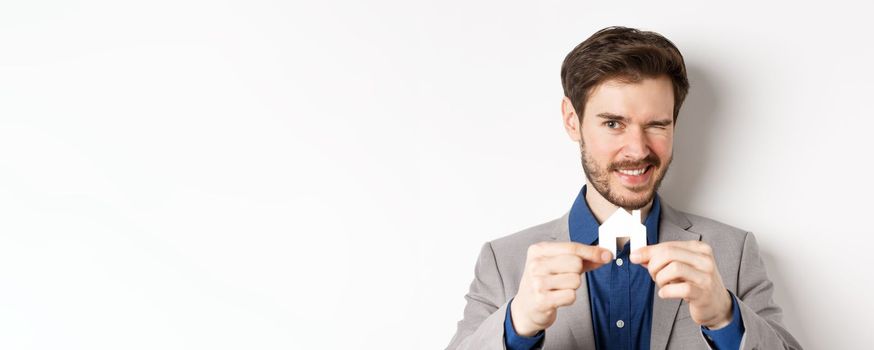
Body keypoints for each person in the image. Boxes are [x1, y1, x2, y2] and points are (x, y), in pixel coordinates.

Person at [445, 26, 802, 350]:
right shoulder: (503, 261)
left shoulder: (733, 253)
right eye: (614, 123)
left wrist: (725, 317)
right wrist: (516, 325)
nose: (638, 149)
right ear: (573, 121)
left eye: (657, 125)